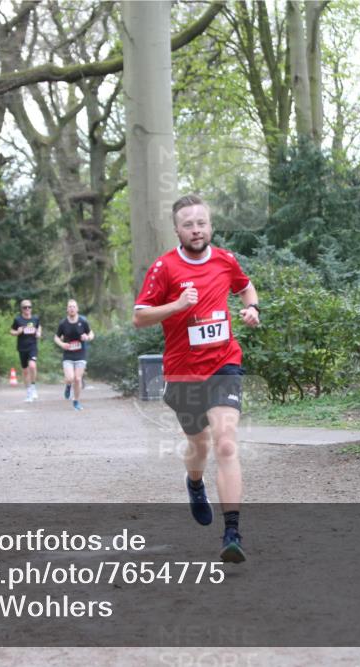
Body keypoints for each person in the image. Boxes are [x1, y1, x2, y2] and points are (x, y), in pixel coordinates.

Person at [132, 194, 260, 563]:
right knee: (199, 446)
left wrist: (251, 308)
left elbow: (245, 286)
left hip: (224, 364)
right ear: (177, 229)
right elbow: (140, 316)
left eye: (201, 222)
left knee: (225, 444)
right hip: (183, 372)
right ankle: (194, 483)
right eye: (188, 224)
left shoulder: (225, 259)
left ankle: (232, 532)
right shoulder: (164, 268)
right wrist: (177, 306)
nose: (196, 229)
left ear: (210, 225)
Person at [54, 299, 94, 411]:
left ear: (77, 309)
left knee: (77, 378)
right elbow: (56, 337)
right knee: (70, 378)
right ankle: (68, 386)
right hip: (68, 355)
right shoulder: (63, 323)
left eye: (74, 306)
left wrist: (88, 337)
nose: (72, 308)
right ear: (67, 309)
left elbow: (91, 333)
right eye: (70, 307)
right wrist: (62, 344)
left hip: (81, 354)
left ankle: (76, 401)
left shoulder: (83, 321)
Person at [10, 299, 42, 401]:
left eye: (29, 307)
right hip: (22, 348)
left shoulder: (35, 319)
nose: (27, 309)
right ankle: (28, 392)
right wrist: (17, 332)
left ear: (31, 308)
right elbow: (11, 331)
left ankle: (33, 387)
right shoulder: (18, 320)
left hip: (32, 346)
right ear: (21, 309)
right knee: (25, 371)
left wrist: (38, 333)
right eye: (25, 307)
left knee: (32, 365)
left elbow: (39, 327)